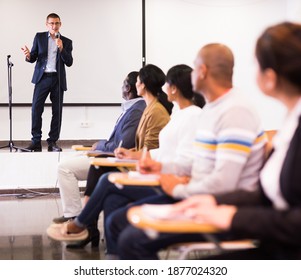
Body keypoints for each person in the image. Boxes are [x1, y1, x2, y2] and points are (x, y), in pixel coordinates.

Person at [135, 21, 301, 260]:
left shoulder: (237, 111)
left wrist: (224, 211)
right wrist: (206, 200)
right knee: (128, 225)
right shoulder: (289, 122)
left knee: (132, 236)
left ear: (270, 77)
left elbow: (240, 187)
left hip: (280, 244)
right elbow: (265, 194)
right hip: (267, 231)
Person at [106, 43, 268, 259]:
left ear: (202, 71)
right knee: (117, 221)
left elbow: (224, 183)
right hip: (196, 195)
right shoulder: (211, 109)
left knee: (131, 239)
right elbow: (197, 161)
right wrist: (161, 166)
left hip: (218, 207)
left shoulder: (235, 111)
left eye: (194, 67)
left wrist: (178, 190)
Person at [46, 64, 204, 250]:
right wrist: (134, 154)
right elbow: (162, 151)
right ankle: (111, 252)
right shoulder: (178, 114)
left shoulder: (190, 116)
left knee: (106, 177)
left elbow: (184, 162)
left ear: (174, 88)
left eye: (168, 84)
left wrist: (151, 164)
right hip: (157, 172)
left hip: (168, 182)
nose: (165, 88)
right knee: (111, 196)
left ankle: (80, 224)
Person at [52, 71, 146, 224]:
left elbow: (122, 145)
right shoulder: (131, 108)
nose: (121, 87)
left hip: (113, 159)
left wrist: (100, 145)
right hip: (106, 153)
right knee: (66, 161)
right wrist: (99, 146)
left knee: (64, 168)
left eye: (123, 84)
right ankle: (74, 214)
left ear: (128, 88)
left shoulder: (136, 110)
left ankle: (74, 214)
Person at [21, 13, 73, 152]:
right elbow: (33, 57)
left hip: (58, 79)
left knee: (57, 112)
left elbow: (69, 62)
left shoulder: (66, 42)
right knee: (36, 109)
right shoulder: (39, 37)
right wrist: (28, 56)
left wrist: (61, 48)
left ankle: (52, 143)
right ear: (47, 24)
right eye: (51, 23)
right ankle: (36, 142)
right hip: (42, 78)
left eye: (56, 23)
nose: (54, 26)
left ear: (60, 24)